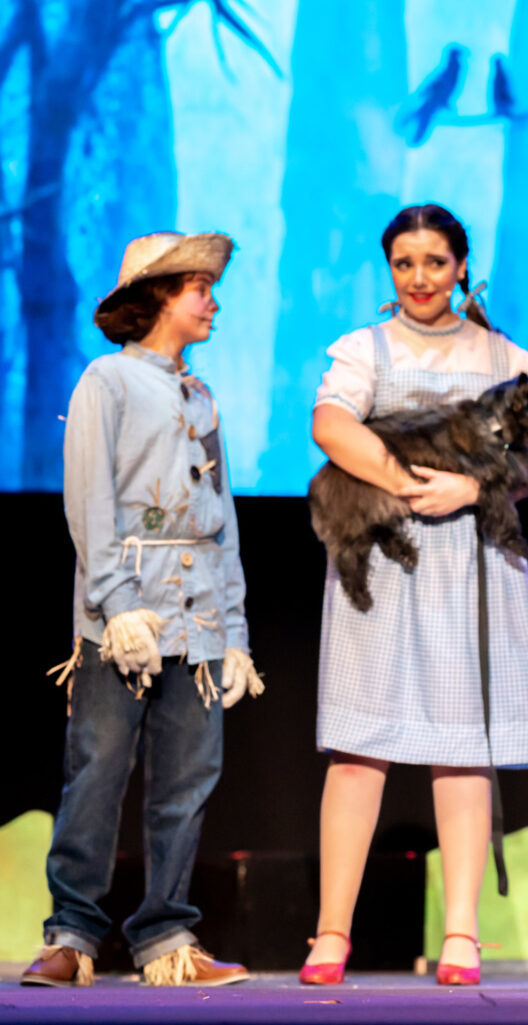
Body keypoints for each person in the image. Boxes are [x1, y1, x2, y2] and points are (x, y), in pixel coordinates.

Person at [301, 203, 528, 986]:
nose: (419, 278)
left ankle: (461, 934)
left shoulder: (504, 356)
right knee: (359, 748)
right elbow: (329, 424)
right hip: (386, 555)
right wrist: (408, 482)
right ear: (390, 270)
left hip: (472, 563)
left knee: (461, 749)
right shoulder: (364, 349)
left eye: (435, 262)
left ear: (461, 267)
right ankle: (331, 933)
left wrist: (470, 484)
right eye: (404, 263)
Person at [24, 232, 264, 988]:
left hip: (195, 618)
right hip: (122, 615)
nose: (213, 300)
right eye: (200, 287)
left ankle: (166, 937)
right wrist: (116, 605)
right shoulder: (109, 381)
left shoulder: (201, 396)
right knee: (96, 769)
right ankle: (72, 933)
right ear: (160, 296)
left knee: (188, 779)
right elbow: (89, 501)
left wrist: (234, 635)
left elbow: (218, 518)